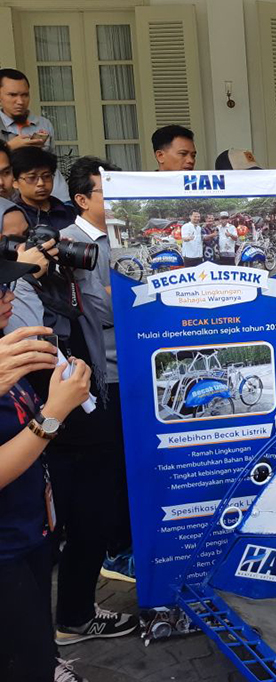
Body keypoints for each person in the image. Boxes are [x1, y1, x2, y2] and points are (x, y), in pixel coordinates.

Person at [3, 162, 140, 642]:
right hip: (57, 416)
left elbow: (97, 311)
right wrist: (25, 276)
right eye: (14, 239)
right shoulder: (16, 292)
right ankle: (70, 622)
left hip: (82, 397)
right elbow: (33, 334)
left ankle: (72, 617)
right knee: (77, 517)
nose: (27, 246)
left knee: (90, 514)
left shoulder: (56, 270)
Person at [62, 156, 136, 587]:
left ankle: (126, 543)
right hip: (104, 375)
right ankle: (115, 551)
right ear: (82, 198)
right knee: (110, 469)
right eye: (107, 192)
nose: (118, 200)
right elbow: (105, 307)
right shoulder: (72, 242)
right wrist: (123, 291)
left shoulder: (126, 236)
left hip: (134, 366)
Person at [0, 68, 70, 202]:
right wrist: (9, 148)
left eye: (25, 95)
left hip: (57, 197)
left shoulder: (43, 124)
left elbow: (52, 162)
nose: (20, 101)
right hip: (15, 201)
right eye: (12, 95)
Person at [11, 147, 75, 231]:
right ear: (15, 182)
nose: (41, 183)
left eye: (47, 176)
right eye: (31, 177)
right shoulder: (13, 216)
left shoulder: (69, 212)